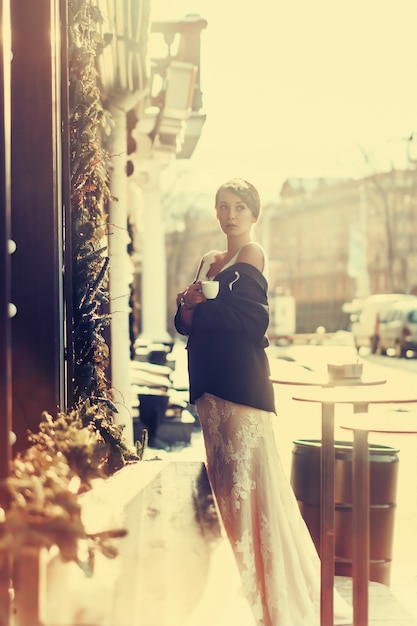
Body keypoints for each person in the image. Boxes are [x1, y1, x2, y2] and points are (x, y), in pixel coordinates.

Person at [174, 178, 352, 626]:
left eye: (239, 207)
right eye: (223, 207)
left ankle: (263, 599)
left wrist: (205, 305)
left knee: (251, 495)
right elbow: (185, 326)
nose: (230, 215)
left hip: (241, 394)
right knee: (225, 495)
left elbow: (254, 323)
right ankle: (234, 589)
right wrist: (186, 303)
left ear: (254, 215)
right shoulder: (208, 260)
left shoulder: (251, 256)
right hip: (209, 394)